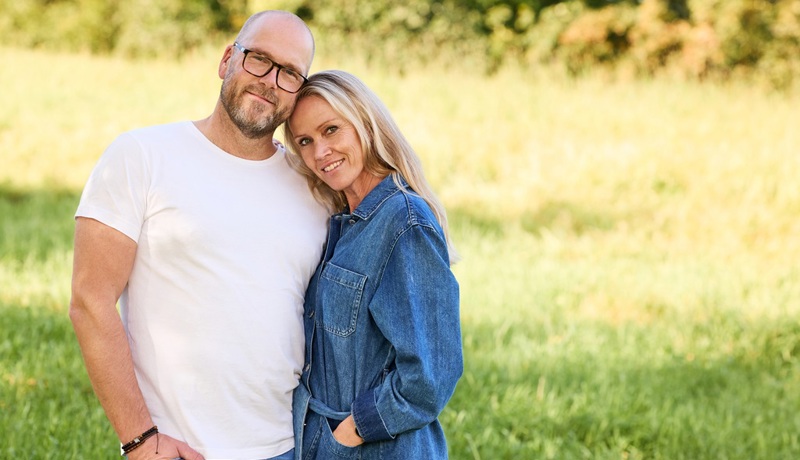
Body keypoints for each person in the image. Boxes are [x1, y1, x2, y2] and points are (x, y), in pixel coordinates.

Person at [69, 11, 329, 460]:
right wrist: (139, 439)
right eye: (259, 59)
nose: (269, 81)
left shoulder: (314, 186)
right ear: (228, 59)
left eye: (289, 73)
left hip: (289, 446)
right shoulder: (141, 156)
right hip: (178, 448)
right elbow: (90, 300)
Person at [283, 70, 463, 459]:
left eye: (331, 130)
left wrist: (354, 430)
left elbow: (431, 374)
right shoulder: (342, 222)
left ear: (365, 123)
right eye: (305, 141)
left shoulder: (404, 222)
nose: (320, 152)